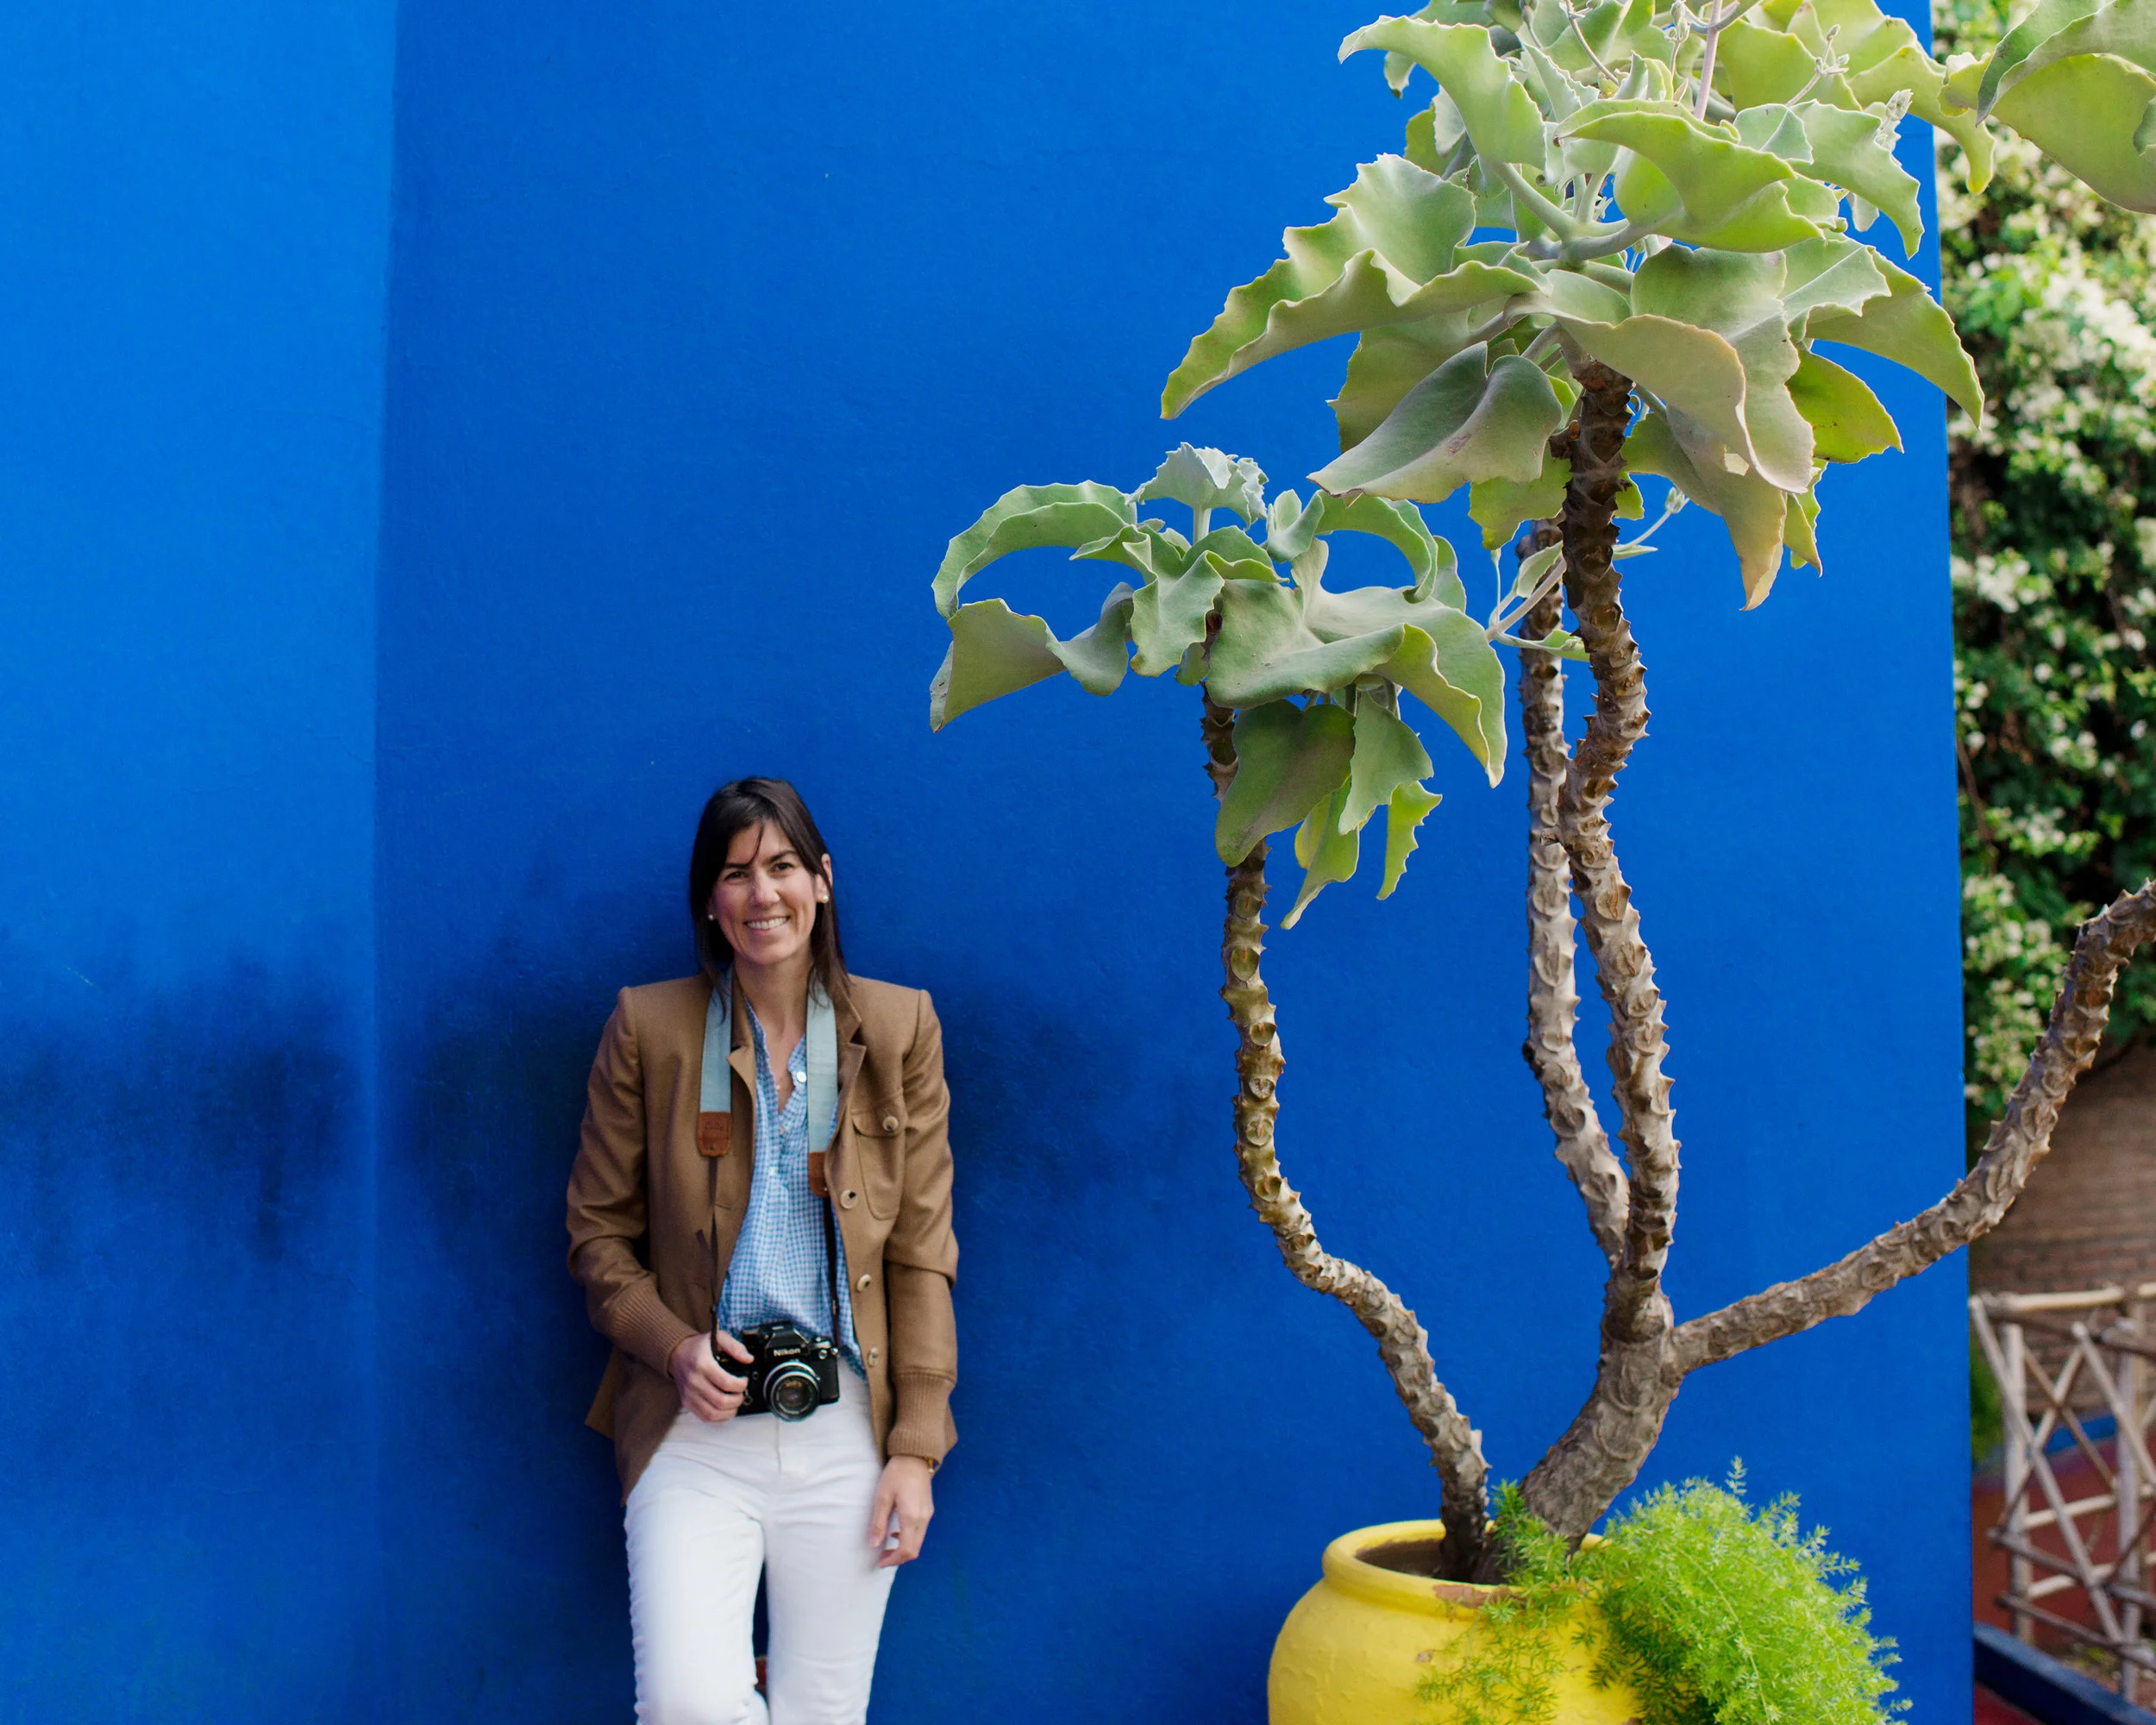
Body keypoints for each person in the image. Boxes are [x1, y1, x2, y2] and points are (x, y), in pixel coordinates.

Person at [566, 777, 957, 1724]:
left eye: (782, 866)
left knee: (823, 1711)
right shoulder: (648, 1027)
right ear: (709, 899)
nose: (762, 892)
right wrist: (674, 1347)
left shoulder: (899, 1027)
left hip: (849, 1422)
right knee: (688, 1705)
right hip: (692, 1427)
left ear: (822, 879)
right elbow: (596, 1236)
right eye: (735, 873)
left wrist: (916, 1447)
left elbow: (919, 1251)